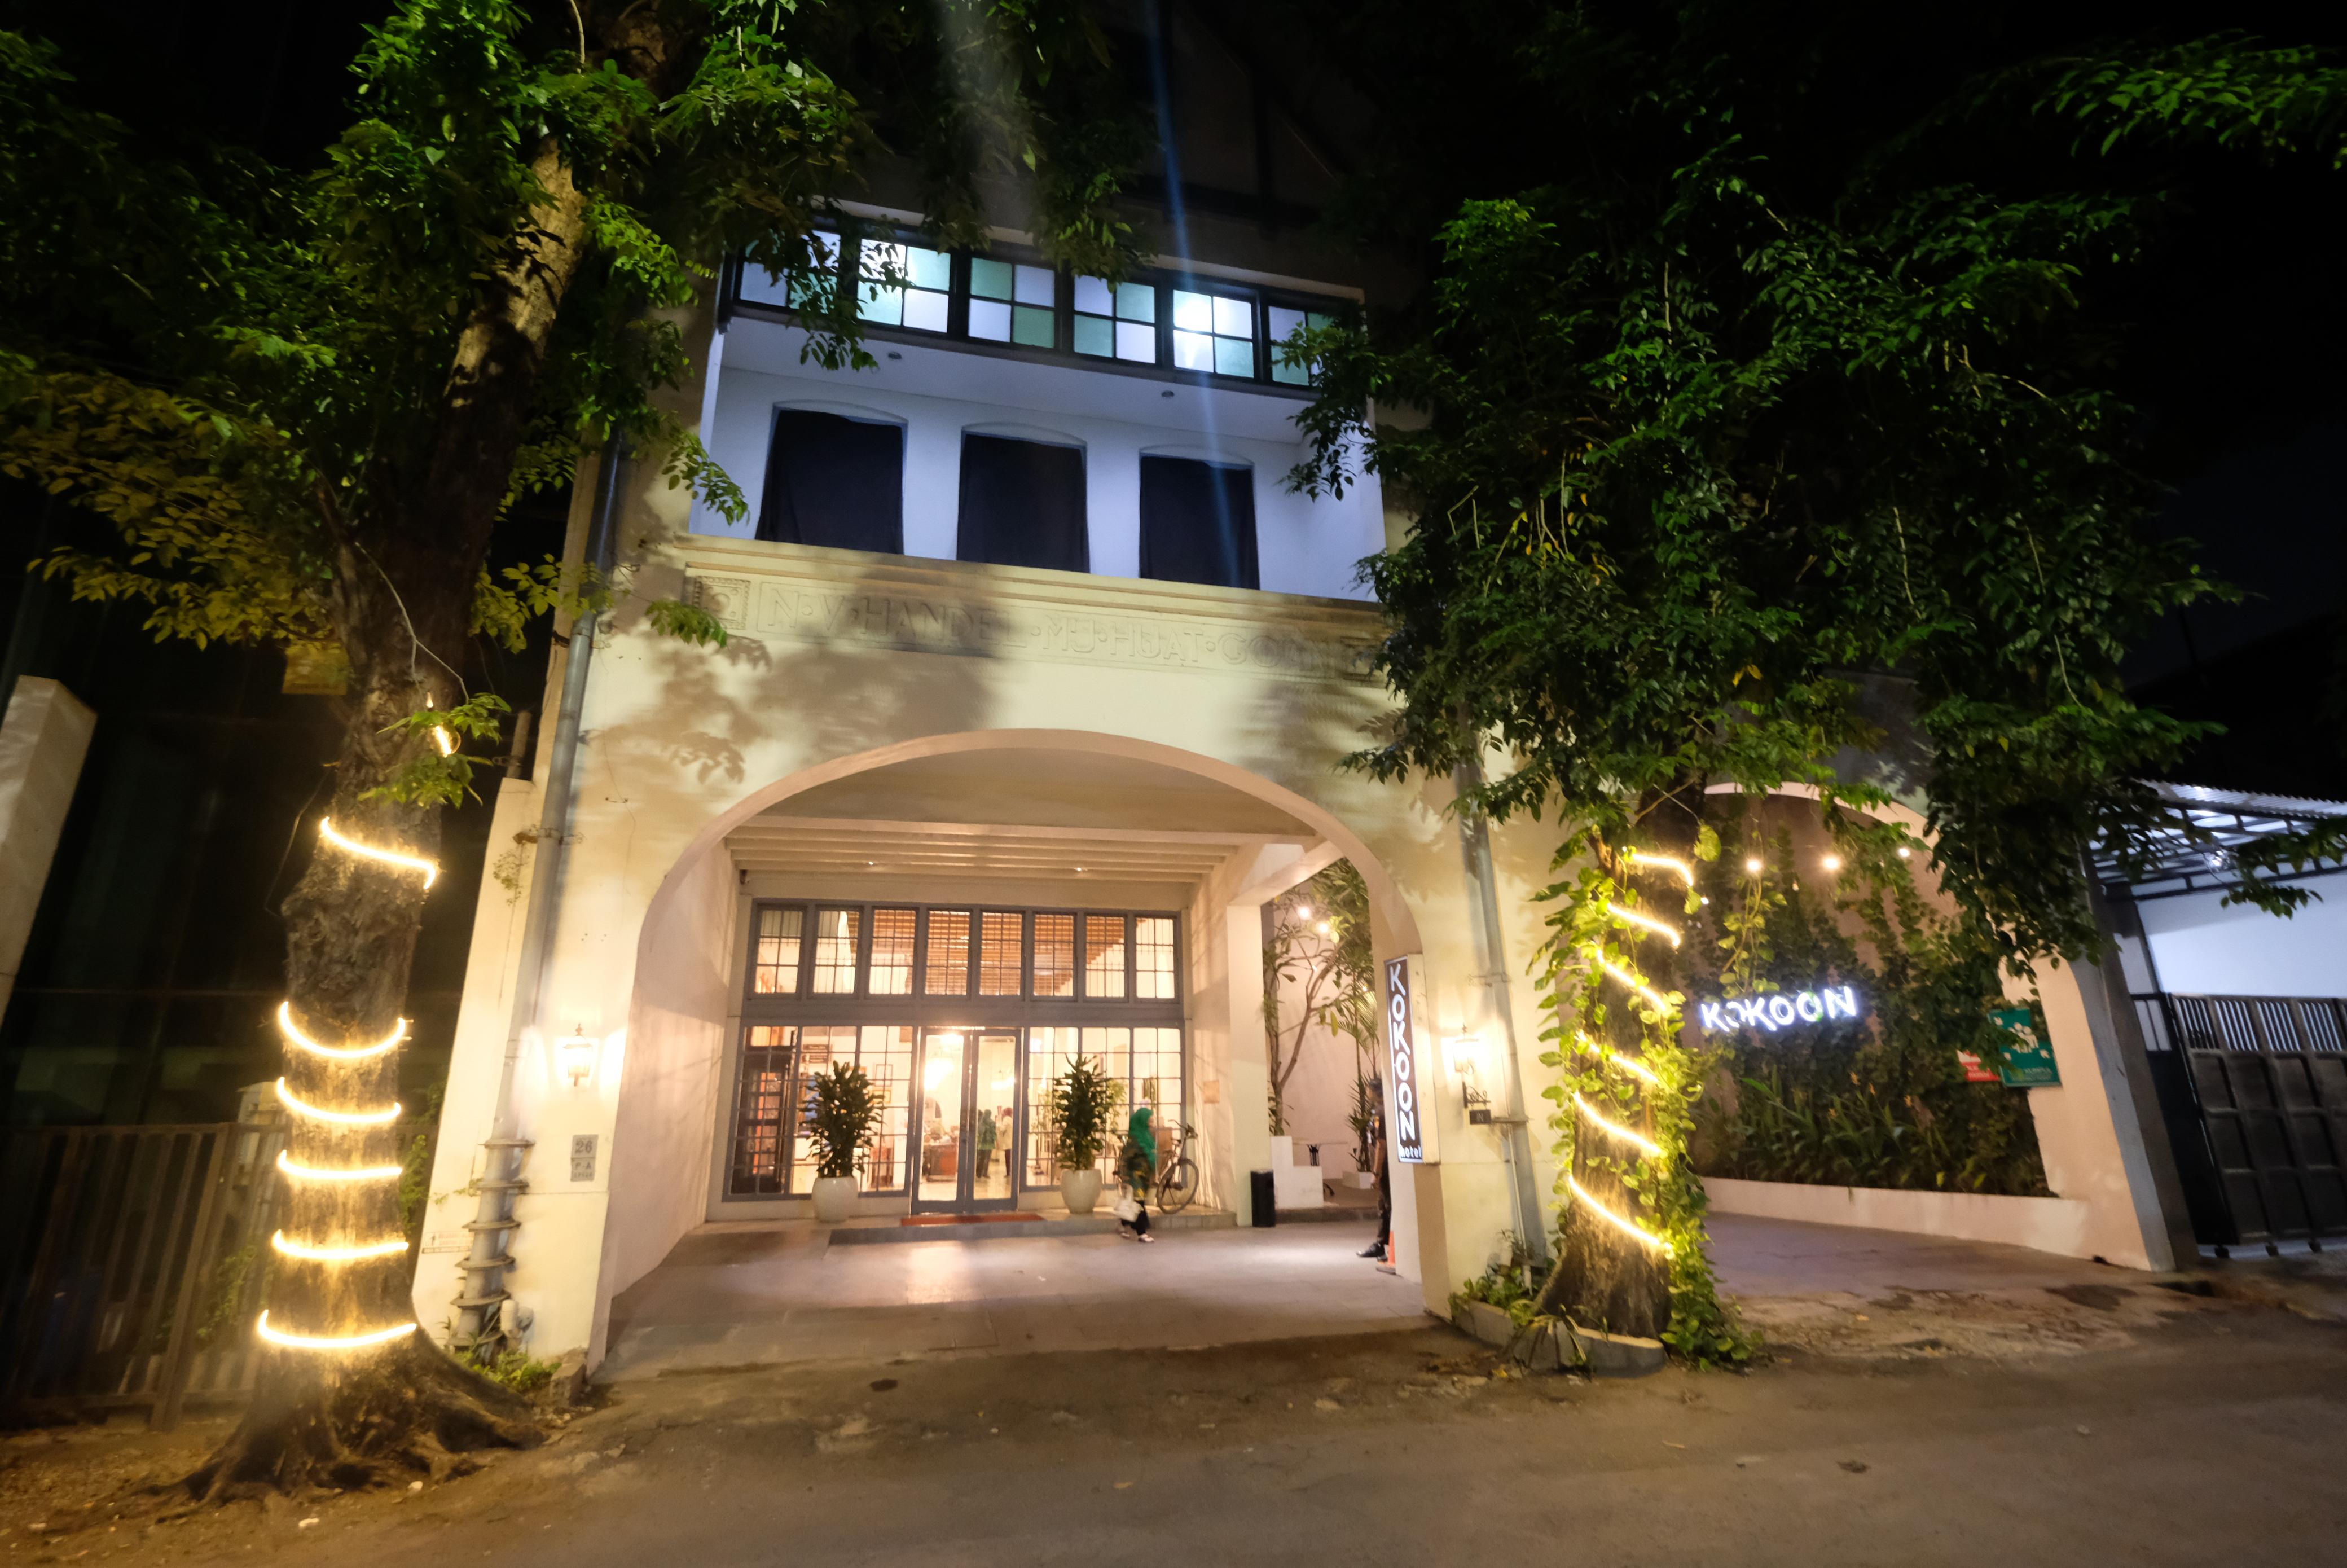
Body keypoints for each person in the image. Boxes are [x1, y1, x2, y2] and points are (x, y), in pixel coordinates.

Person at [1117, 1105, 1157, 1242]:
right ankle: (1142, 1233)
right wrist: (1125, 1178)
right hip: (1135, 1178)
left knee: (1134, 1203)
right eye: (1149, 1119)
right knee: (1139, 1203)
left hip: (1144, 1178)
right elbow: (1125, 1159)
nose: (1151, 1122)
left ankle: (1123, 1224)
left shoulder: (1147, 1137)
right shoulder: (1134, 1139)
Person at [1359, 1102, 1391, 1260]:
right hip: (1384, 1170)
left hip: (1386, 1169)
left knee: (1389, 1207)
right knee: (1383, 1207)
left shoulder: (1382, 1112)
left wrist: (1377, 1173)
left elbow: (1381, 1144)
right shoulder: (1379, 1111)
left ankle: (1394, 1250)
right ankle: (1381, 1245)